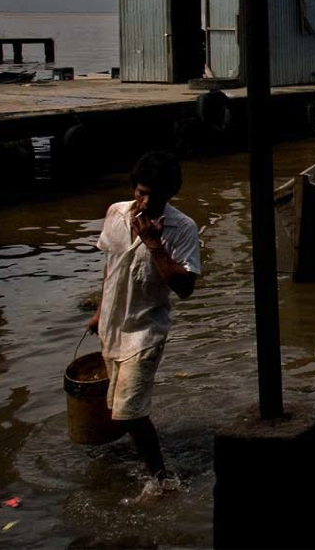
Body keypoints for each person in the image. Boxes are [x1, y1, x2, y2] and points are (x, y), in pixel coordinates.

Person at [88, 151, 200, 497]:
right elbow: (111, 264)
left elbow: (184, 288)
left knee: (128, 412)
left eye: (154, 196)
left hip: (146, 329)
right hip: (112, 323)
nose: (144, 202)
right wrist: (99, 309)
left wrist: (154, 244)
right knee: (118, 406)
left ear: (170, 196)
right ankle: (142, 459)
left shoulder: (182, 228)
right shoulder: (116, 213)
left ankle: (161, 479)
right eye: (140, 192)